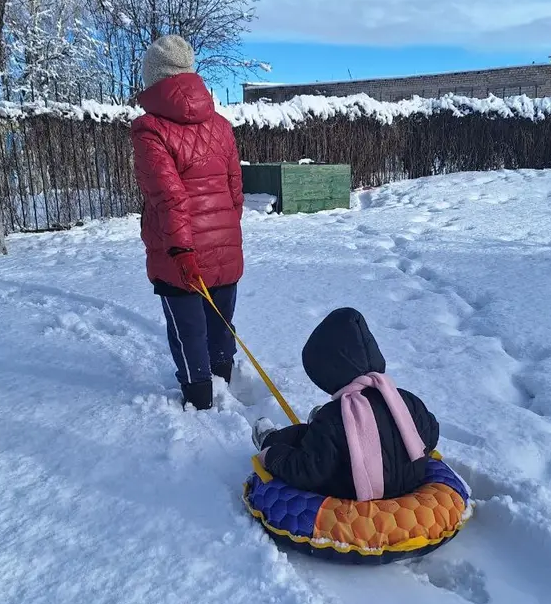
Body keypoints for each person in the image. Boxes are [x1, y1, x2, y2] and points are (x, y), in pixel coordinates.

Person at [131, 35, 245, 410]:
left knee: (188, 329)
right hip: (225, 244)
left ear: (155, 77)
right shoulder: (222, 124)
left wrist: (181, 248)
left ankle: (200, 399)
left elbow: (169, 196)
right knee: (220, 323)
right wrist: (224, 231)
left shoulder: (150, 129)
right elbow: (234, 188)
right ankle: (222, 384)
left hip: (178, 249)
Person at [251, 307, 439, 501]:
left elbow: (308, 471)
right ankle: (322, 432)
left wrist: (274, 456)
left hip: (352, 489)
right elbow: (431, 434)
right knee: (330, 431)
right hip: (410, 481)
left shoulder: (333, 418)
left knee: (303, 435)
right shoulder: (405, 400)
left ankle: (269, 440)